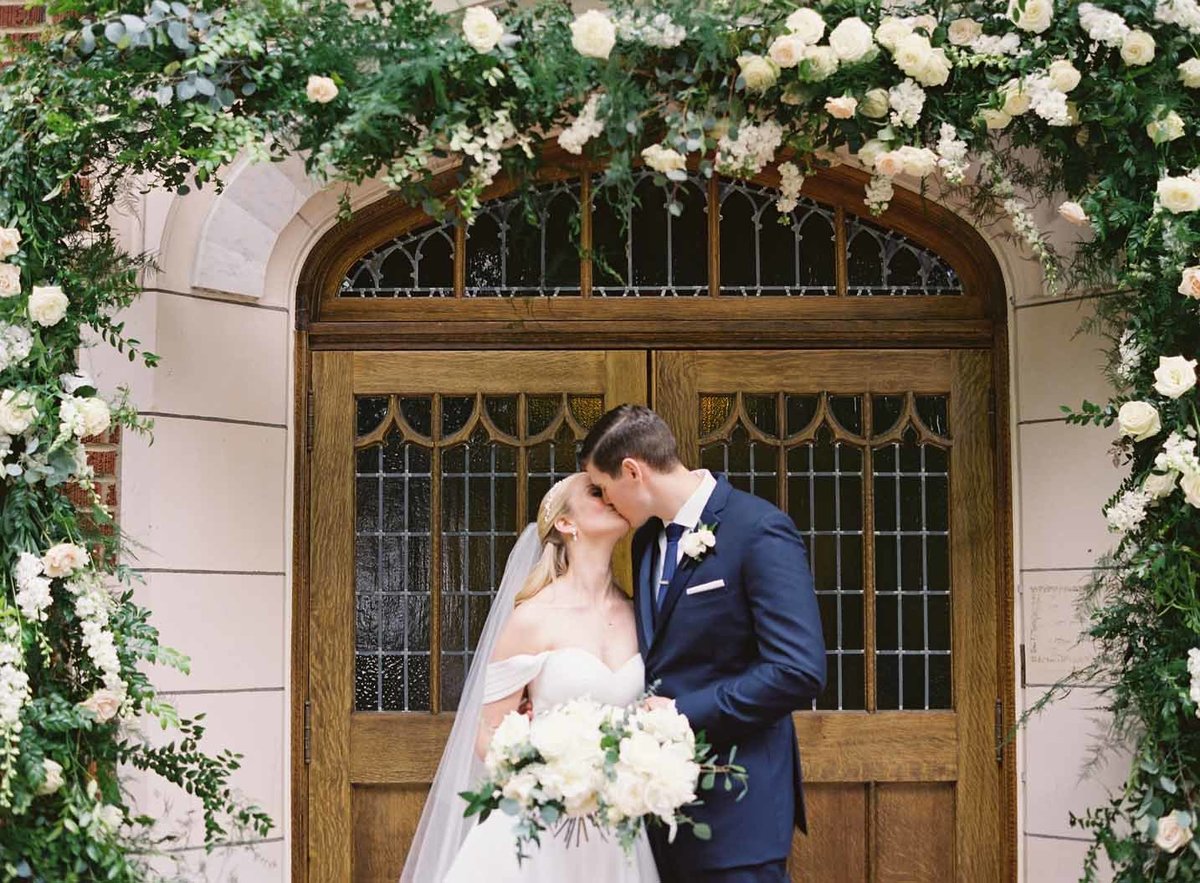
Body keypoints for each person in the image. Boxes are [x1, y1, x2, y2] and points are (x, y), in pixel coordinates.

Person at [581, 404, 826, 883]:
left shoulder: (757, 530)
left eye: (604, 489)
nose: (606, 502)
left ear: (632, 471)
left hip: (738, 811)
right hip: (659, 814)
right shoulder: (646, 540)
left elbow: (799, 669)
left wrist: (684, 714)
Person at [400, 472, 660, 883]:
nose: (610, 495)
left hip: (615, 827)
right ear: (565, 523)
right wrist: (554, 774)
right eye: (596, 492)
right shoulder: (532, 619)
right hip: (541, 828)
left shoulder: (640, 615)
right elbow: (488, 735)